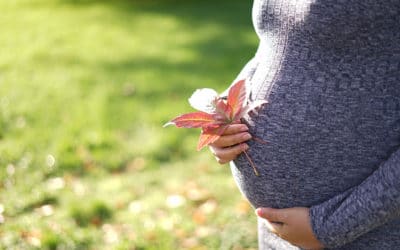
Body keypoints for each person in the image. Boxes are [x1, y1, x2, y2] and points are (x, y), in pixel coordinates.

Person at [209, 0, 400, 249]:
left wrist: (331, 225)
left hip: (372, 230)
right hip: (281, 233)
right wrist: (228, 113)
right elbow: (278, 43)